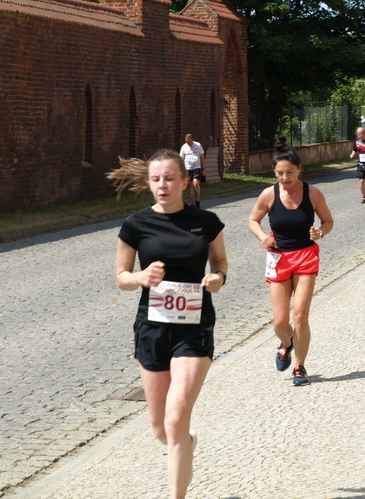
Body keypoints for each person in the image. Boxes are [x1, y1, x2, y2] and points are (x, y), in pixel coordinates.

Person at [111, 150, 228, 499]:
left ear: (185, 180)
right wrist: (142, 276)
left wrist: (217, 278)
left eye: (169, 178)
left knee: (176, 419)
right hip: (152, 327)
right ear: (149, 183)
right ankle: (186, 444)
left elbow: (220, 262)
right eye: (156, 179)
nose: (163, 185)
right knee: (162, 429)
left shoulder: (206, 222)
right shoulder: (135, 225)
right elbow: (121, 277)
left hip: (194, 326)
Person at [247, 138, 334, 386]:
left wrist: (321, 232)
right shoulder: (269, 194)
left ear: (300, 170)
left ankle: (300, 367)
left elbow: (328, 221)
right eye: (280, 174)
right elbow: (253, 220)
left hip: (306, 255)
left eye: (290, 173)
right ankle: (286, 344)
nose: (285, 178)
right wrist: (263, 237)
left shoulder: (313, 193)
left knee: (300, 315)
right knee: (279, 322)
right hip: (279, 258)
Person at [179, 134, 206, 208]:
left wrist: (204, 169)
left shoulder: (198, 145)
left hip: (196, 167)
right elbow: (181, 159)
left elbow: (202, 158)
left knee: (196, 183)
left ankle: (197, 199)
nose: (189, 144)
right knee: (189, 185)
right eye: (187, 142)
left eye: (190, 142)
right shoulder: (184, 147)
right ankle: (193, 202)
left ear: (193, 139)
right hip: (187, 168)